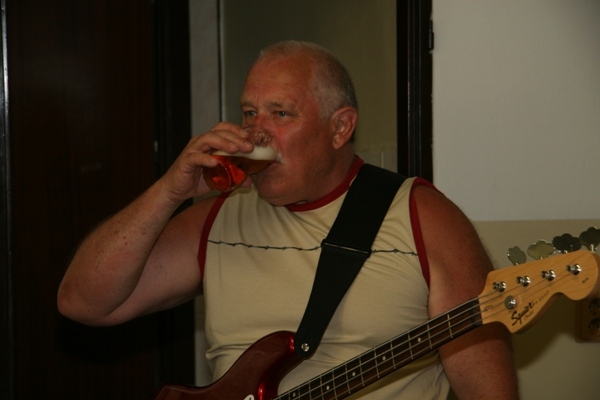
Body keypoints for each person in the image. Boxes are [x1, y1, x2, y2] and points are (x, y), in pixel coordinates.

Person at [58, 40, 519, 399]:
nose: (257, 132)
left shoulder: (422, 216)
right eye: (250, 113)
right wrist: (169, 191)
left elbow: (488, 392)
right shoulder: (218, 218)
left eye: (281, 113)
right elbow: (84, 302)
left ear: (340, 127)